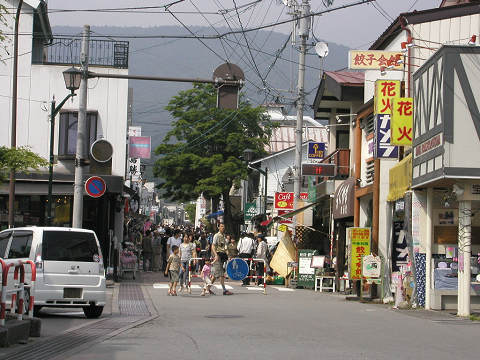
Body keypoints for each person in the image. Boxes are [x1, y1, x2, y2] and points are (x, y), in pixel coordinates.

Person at [211, 223, 233, 295]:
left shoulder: (223, 236)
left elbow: (225, 247)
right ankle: (224, 290)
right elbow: (213, 246)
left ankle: (206, 288)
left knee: (215, 275)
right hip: (218, 256)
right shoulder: (216, 236)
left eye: (223, 226)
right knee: (221, 274)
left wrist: (228, 255)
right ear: (219, 227)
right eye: (221, 226)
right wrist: (215, 255)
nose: (223, 227)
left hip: (222, 256)